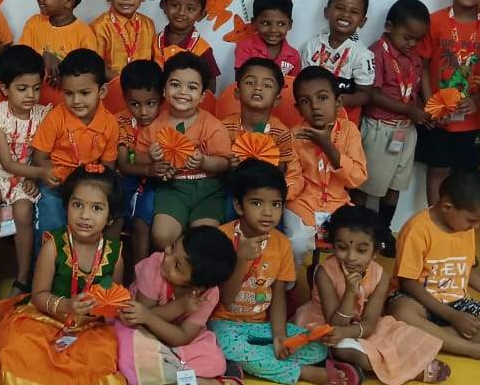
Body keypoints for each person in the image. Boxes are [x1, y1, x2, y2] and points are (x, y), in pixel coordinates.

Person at [209, 159, 361, 385]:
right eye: (256, 203)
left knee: (317, 348)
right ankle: (303, 372)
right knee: (228, 345)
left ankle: (248, 364)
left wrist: (280, 337)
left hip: (261, 326)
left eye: (276, 204)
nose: (267, 212)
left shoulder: (281, 244)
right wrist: (241, 260)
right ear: (239, 206)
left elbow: (278, 296)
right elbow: (226, 299)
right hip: (224, 324)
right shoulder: (222, 238)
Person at [0, 165, 129, 385]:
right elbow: (39, 296)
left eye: (96, 208)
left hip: (88, 327)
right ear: (66, 207)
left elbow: (113, 300)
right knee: (19, 342)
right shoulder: (53, 245)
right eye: (77, 205)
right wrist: (66, 305)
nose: (85, 215)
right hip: (47, 318)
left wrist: (104, 308)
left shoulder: (115, 254)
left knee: (102, 354)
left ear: (110, 217)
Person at [293, 205, 449, 385]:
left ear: (375, 252)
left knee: (404, 333)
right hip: (325, 328)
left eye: (361, 250)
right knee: (344, 349)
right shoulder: (325, 272)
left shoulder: (380, 276)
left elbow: (369, 323)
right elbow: (335, 324)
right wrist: (350, 293)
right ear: (333, 245)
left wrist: (348, 332)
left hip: (360, 328)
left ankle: (369, 363)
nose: (351, 257)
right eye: (342, 247)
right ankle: (409, 370)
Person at [387, 169, 480, 370]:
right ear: (447, 207)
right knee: (401, 312)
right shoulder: (417, 229)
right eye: (472, 220)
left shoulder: (464, 228)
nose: (476, 227)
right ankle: (479, 351)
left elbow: (466, 271)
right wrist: (452, 317)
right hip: (419, 299)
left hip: (457, 301)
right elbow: (407, 282)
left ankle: (432, 337)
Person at [116, 226, 243, 385]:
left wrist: (154, 319)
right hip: (142, 330)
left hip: (176, 339)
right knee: (125, 351)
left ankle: (164, 370)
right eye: (173, 246)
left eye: (177, 266)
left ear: (197, 286)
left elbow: (182, 337)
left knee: (215, 361)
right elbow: (142, 317)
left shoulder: (208, 294)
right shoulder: (153, 267)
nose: (167, 257)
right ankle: (201, 384)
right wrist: (180, 306)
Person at [0, 45, 54, 310]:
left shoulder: (44, 115)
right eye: (22, 89)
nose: (31, 95)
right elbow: (7, 162)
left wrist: (35, 176)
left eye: (36, 88)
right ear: (4, 88)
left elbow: (43, 154)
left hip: (27, 174)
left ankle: (23, 278)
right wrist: (42, 173)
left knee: (24, 211)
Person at [418, 0, 480, 206]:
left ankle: (460, 222)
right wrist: (430, 105)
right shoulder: (434, 21)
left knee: (465, 176)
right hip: (438, 119)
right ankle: (434, 219)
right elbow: (422, 65)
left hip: (472, 119)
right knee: (437, 170)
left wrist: (479, 99)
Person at [139, 53, 232, 250]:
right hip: (172, 189)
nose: (183, 92)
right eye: (175, 84)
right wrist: (151, 158)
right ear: (164, 89)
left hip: (208, 190)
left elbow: (225, 163)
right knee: (162, 237)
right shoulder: (155, 125)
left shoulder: (213, 126)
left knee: (204, 241)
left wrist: (204, 162)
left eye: (192, 87)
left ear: (203, 95)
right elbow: (138, 158)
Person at [358, 0, 433, 235]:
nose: (412, 43)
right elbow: (372, 95)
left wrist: (423, 112)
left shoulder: (414, 57)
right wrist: (410, 110)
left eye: (418, 39)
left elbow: (412, 92)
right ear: (389, 27)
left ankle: (383, 230)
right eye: (408, 37)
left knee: (396, 183)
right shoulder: (376, 52)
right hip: (380, 128)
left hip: (405, 130)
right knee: (366, 182)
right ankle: (357, 229)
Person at [30, 49, 120, 236]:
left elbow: (107, 170)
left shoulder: (110, 123)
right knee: (52, 219)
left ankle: (92, 255)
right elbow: (39, 158)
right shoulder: (55, 117)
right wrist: (58, 175)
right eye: (69, 93)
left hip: (89, 187)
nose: (76, 100)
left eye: (85, 93)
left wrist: (89, 189)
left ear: (102, 91)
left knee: (100, 218)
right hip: (56, 185)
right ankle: (47, 255)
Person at [284, 67, 367, 266]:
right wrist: (279, 194)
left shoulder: (349, 131)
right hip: (302, 204)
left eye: (322, 98)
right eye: (305, 101)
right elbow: (294, 178)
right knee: (296, 242)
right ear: (297, 108)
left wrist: (327, 146)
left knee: (357, 243)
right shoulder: (294, 135)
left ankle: (331, 280)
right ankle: (288, 281)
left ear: (338, 102)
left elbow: (357, 178)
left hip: (338, 205)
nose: (315, 106)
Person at [224, 58, 302, 200]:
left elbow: (284, 169)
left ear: (277, 100)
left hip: (267, 193)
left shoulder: (282, 133)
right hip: (231, 189)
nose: (258, 88)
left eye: (267, 85)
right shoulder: (224, 128)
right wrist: (227, 165)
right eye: (250, 82)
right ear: (237, 93)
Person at [115, 59, 165, 273]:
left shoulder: (168, 122)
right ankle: (106, 273)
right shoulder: (120, 122)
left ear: (162, 97)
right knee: (114, 220)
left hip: (156, 185)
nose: (143, 111)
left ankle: (140, 278)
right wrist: (149, 168)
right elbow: (123, 164)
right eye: (135, 104)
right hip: (126, 181)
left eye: (151, 103)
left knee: (141, 224)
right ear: (124, 98)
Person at [299, 0, 374, 121]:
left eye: (354, 12)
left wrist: (334, 101)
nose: (345, 14)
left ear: (362, 22)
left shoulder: (363, 55)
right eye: (339, 8)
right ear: (327, 12)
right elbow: (301, 81)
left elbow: (365, 94)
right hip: (311, 115)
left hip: (345, 119)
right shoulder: (312, 45)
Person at [20, 0, 98, 81]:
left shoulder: (84, 34)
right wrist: (43, 55)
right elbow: (20, 60)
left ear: (68, 1)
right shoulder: (33, 24)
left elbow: (88, 76)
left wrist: (63, 69)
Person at [91, 0, 156, 78]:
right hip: (112, 86)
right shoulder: (99, 27)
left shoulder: (148, 24)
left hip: (144, 86)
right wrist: (123, 82)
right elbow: (96, 67)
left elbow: (153, 61)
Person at [153, 0, 220, 90]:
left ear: (201, 15)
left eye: (190, 9)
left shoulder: (203, 49)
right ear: (164, 6)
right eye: (175, 5)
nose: (181, 12)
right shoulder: (153, 41)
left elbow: (211, 86)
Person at [234, 0, 302, 79]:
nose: (273, 30)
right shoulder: (245, 48)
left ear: (289, 25)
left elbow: (293, 85)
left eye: (281, 24)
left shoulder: (293, 56)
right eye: (266, 23)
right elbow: (240, 81)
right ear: (254, 23)